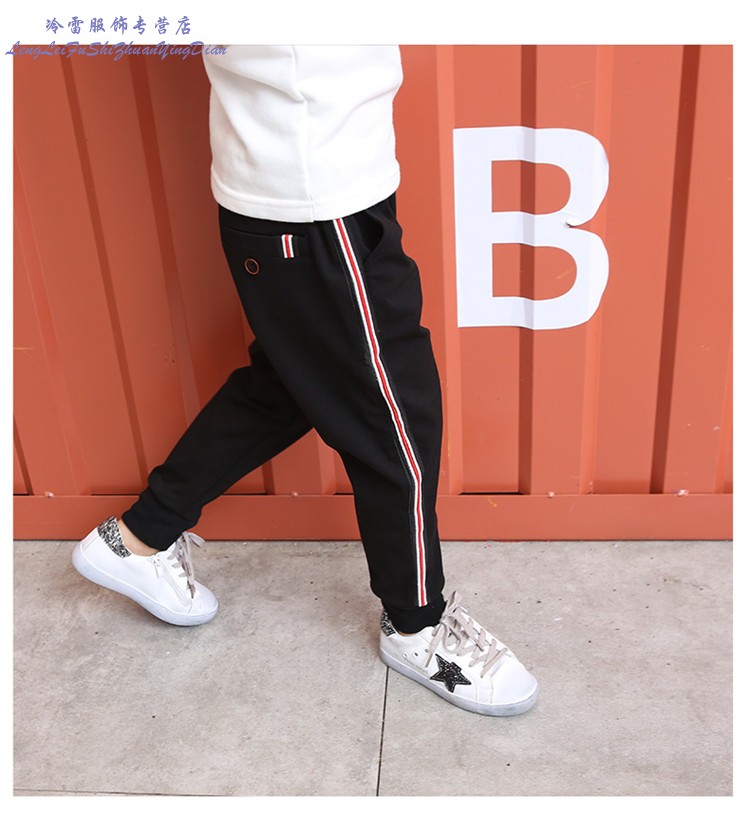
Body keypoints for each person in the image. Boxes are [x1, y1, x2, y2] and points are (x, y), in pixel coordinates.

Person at [72, 45, 538, 717]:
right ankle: (417, 627)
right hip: (314, 201)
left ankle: (139, 536)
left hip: (316, 182)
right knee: (397, 420)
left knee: (292, 385)